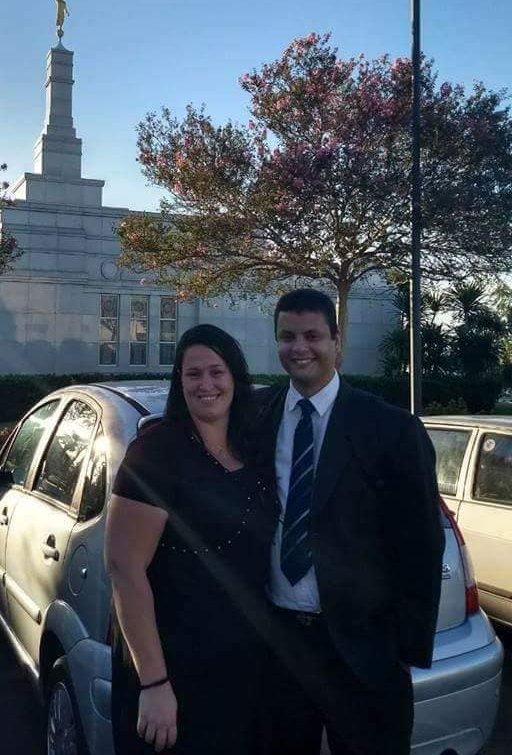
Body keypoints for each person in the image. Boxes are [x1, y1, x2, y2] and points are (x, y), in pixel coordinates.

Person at [256, 288, 445, 755]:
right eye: (287, 336)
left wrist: (402, 651)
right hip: (279, 648)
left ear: (337, 343)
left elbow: (421, 543)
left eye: (312, 336)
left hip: (364, 654)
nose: (299, 347)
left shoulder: (391, 429)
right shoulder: (254, 416)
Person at [105, 324, 277, 754]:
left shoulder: (253, 448)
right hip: (176, 673)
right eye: (192, 374)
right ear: (178, 381)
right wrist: (154, 682)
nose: (206, 385)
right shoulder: (157, 452)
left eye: (216, 372)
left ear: (236, 377)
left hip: (246, 669)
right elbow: (125, 569)